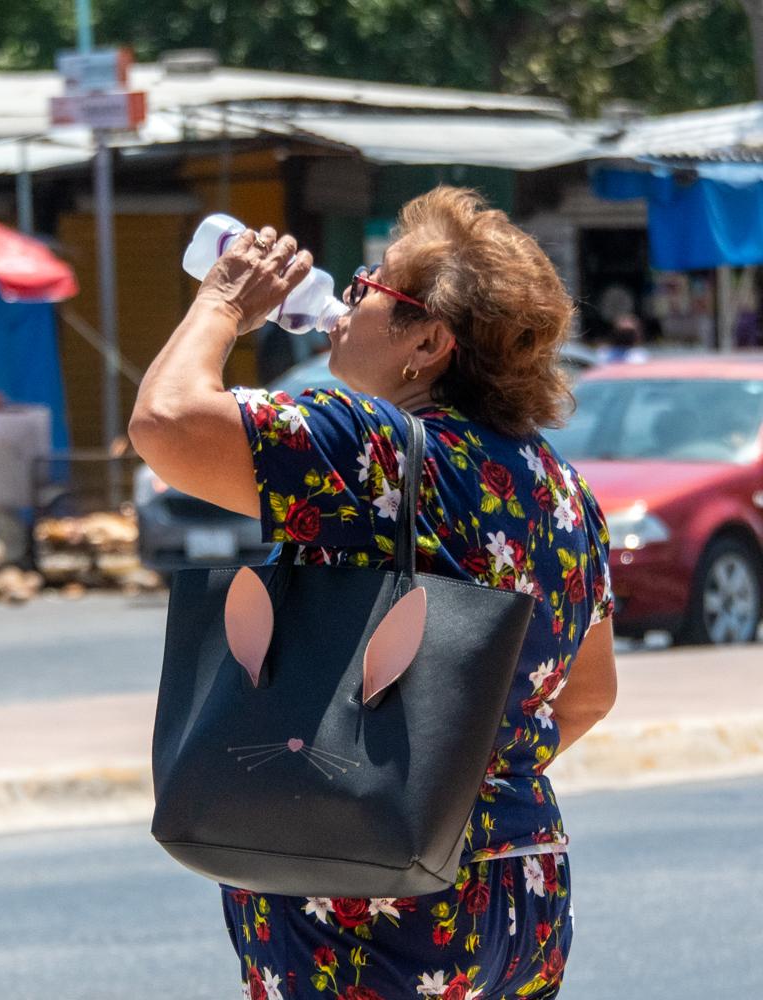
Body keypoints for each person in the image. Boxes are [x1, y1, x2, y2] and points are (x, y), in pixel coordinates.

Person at [129, 187, 616, 1000]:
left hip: (376, 904)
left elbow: (167, 420)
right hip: (520, 890)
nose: (344, 300)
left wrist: (222, 302)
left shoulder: (371, 449)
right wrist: (456, 783)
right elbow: (591, 693)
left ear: (426, 342)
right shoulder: (562, 489)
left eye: (369, 288)